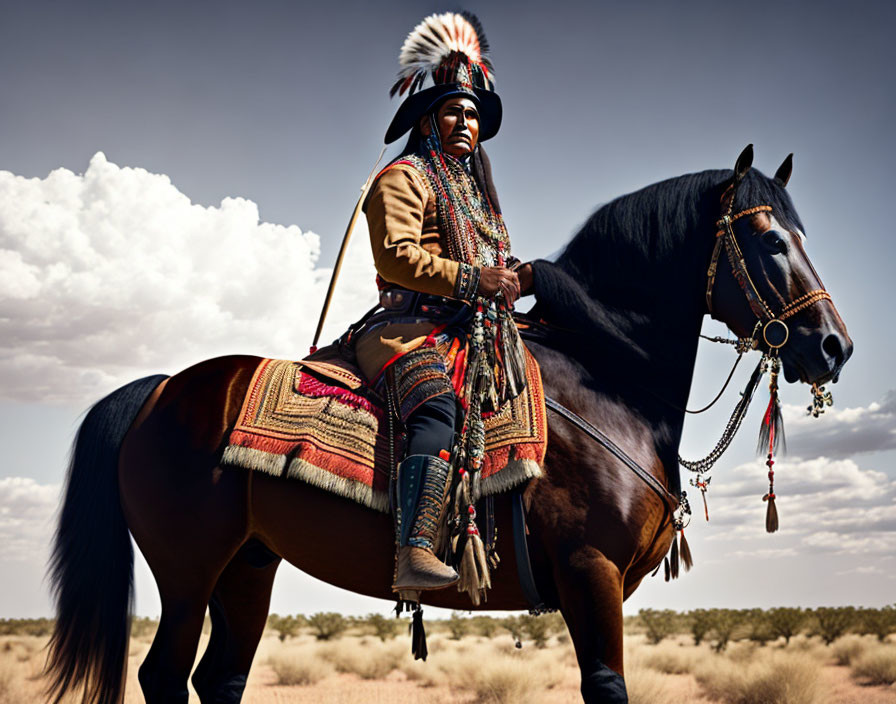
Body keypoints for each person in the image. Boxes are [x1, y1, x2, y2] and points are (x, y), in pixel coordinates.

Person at [353, 12, 533, 593]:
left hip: (473, 333)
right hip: (407, 331)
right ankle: (415, 551)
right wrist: (474, 280)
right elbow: (397, 257)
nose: (466, 121)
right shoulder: (402, 178)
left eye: (474, 114)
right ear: (428, 119)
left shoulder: (479, 201)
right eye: (455, 110)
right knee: (436, 411)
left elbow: (491, 268)